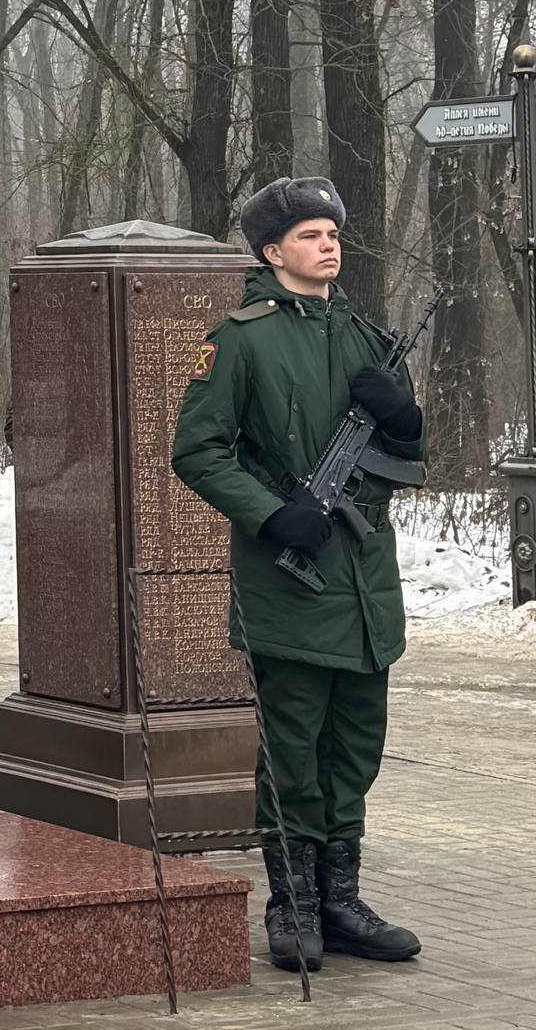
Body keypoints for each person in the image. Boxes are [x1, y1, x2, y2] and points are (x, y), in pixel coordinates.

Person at [172, 175, 425, 973]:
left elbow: (408, 455)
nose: (328, 246)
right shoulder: (240, 339)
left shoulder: (365, 336)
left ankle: (341, 901)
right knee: (293, 748)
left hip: (365, 582)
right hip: (291, 580)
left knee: (356, 748)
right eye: (311, 235)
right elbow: (196, 450)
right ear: (272, 251)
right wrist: (271, 513)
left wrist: (405, 417)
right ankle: (294, 904)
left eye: (334, 234)